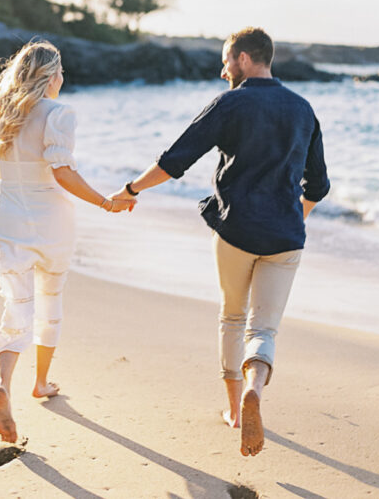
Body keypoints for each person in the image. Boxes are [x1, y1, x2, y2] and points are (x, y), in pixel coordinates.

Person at [111, 26, 329, 457]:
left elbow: (176, 160)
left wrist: (131, 190)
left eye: (227, 59)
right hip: (286, 237)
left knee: (233, 316)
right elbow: (317, 186)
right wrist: (291, 219)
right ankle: (255, 392)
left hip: (236, 230)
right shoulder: (303, 109)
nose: (223, 68)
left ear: (246, 59)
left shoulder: (231, 103)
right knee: (264, 328)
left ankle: (233, 410)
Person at [0, 40, 135, 444]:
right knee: (51, 301)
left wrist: (18, 177)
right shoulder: (58, 114)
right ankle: (41, 382)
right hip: (52, 224)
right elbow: (62, 173)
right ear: (50, 75)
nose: (63, 79)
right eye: (61, 72)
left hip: (7, 220)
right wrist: (105, 202)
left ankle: (4, 385)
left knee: (17, 305)